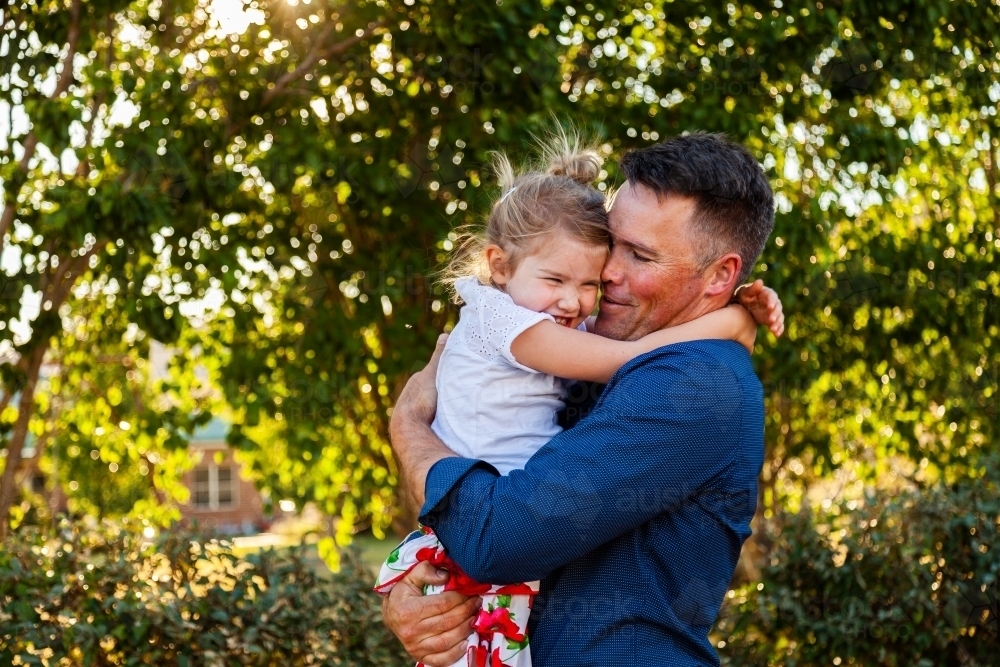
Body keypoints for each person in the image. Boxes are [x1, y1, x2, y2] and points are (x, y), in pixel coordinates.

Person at [372, 130, 782, 667]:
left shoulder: (694, 385)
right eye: (612, 243)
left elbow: (499, 539)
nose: (606, 272)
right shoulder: (603, 348)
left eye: (639, 254)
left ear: (720, 275)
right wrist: (424, 603)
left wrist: (408, 429)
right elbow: (488, 504)